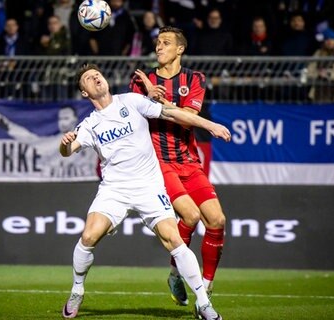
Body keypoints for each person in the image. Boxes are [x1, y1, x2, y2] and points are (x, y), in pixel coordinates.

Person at [61, 63, 230, 319]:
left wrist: (209, 125)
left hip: (149, 186)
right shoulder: (90, 125)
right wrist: (64, 145)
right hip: (115, 190)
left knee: (174, 241)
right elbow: (67, 151)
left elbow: (174, 114)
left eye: (97, 73)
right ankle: (77, 290)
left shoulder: (131, 101)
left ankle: (204, 303)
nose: (95, 77)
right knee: (88, 237)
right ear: (84, 92)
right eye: (88, 78)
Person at [129, 26, 226, 310]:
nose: (159, 47)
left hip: (188, 160)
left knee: (217, 220)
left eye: (166, 43)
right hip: (159, 161)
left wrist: (161, 100)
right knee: (191, 215)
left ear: (179, 49)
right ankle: (180, 277)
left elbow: (187, 121)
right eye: (158, 42)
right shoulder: (141, 80)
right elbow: (134, 118)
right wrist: (149, 95)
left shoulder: (194, 78)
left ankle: (204, 287)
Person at [0, 101, 98, 180]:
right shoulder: (52, 143)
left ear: (75, 119)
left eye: (66, 118)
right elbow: (20, 133)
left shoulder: (90, 137)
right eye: (60, 118)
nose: (62, 122)